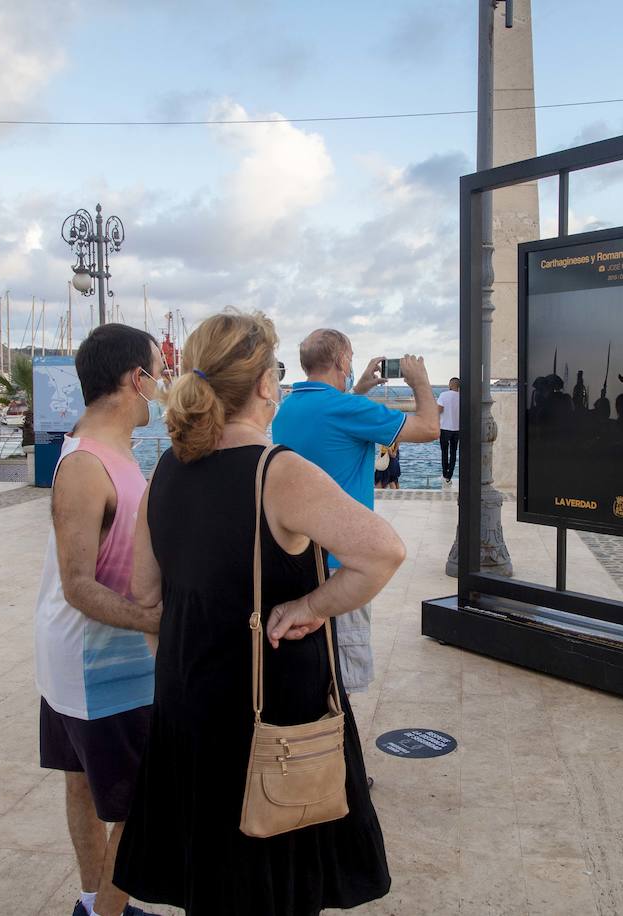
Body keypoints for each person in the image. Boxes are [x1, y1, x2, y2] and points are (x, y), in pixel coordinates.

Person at [114, 310, 399, 915]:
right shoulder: (278, 472)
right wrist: (311, 604)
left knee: (210, 879)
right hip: (269, 717)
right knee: (271, 882)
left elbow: (145, 592)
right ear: (266, 384)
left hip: (187, 701)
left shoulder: (165, 469)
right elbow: (382, 553)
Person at [35, 323, 166, 916]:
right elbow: (79, 585)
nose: (162, 384)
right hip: (97, 665)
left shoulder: (115, 451)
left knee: (83, 783)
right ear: (136, 379)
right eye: (158, 372)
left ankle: (94, 903)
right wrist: (155, 619)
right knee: (142, 804)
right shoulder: (87, 466)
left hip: (89, 659)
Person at [271, 329, 437, 699]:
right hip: (341, 563)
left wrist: (358, 388)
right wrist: (420, 382)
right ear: (342, 360)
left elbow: (331, 420)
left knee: (312, 668)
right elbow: (429, 428)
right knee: (341, 680)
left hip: (297, 556)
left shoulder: (289, 408)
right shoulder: (348, 410)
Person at [437, 376, 461, 485]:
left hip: (444, 428)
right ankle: (449, 476)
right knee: (453, 452)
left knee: (444, 452)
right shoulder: (461, 397)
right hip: (457, 429)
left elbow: (439, 409)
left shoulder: (443, 395)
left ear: (450, 385)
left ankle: (444, 473)